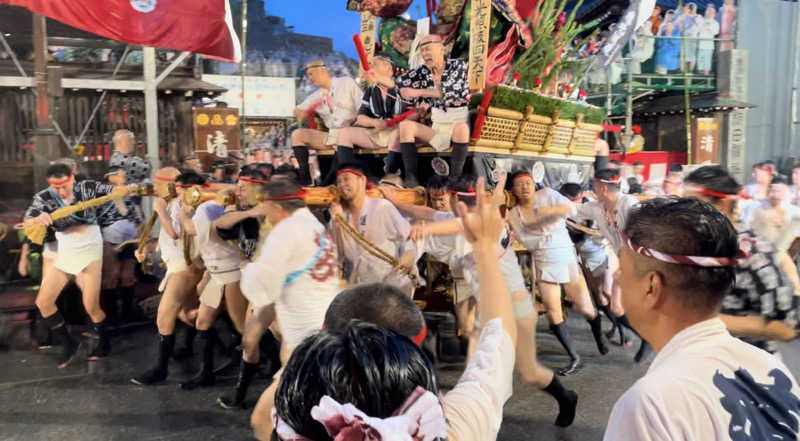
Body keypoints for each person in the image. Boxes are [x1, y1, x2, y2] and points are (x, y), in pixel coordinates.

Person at [271, 176, 519, 441]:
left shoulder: (297, 420)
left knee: (472, 331)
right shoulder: (455, 426)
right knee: (476, 335)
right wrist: (485, 252)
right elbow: (500, 338)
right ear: (414, 350)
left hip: (462, 275)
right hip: (472, 273)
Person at [603, 196, 800, 441]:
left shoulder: (650, 407)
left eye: (623, 268)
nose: (618, 277)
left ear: (652, 286)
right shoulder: (770, 367)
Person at [400, 174, 579, 427]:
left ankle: (565, 397)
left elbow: (450, 225)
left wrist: (424, 229)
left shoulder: (482, 219)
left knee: (526, 371)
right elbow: (427, 212)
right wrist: (395, 200)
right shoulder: (465, 215)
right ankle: (474, 417)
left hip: (514, 306)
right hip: (492, 307)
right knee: (479, 364)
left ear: (453, 198)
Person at [240, 176, 342, 440]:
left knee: (262, 419)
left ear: (275, 208)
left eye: (267, 212)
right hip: (326, 336)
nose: (267, 220)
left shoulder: (285, 232)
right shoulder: (316, 227)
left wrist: (248, 270)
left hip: (308, 348)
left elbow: (262, 287)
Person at [25, 164, 137, 367]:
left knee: (91, 305)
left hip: (89, 249)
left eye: (65, 186)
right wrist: (37, 218)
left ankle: (104, 342)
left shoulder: (87, 188)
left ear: (72, 178)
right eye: (56, 188)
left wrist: (125, 189)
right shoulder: (45, 197)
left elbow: (109, 190)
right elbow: (29, 217)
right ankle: (68, 343)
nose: (61, 192)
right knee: (44, 302)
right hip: (66, 249)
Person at [683, 166, 799, 355]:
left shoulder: (751, 253)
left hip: (746, 371)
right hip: (702, 362)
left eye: (692, 203)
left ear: (720, 205)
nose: (683, 211)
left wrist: (706, 323)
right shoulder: (695, 245)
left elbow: (786, 328)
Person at [507, 171, 608, 375]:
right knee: (554, 313)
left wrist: (551, 213)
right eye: (519, 185)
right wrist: (541, 228)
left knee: (587, 309)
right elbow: (525, 240)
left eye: (528, 182)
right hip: (543, 259)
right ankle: (574, 357)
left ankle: (598, 336)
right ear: (513, 190)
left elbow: (571, 209)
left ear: (533, 183)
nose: (525, 187)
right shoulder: (514, 213)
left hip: (565, 256)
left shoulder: (547, 194)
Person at [131, 171, 206, 385]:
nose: (156, 187)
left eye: (159, 184)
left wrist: (161, 211)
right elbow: (167, 238)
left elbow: (176, 234)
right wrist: (147, 248)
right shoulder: (172, 202)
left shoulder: (190, 203)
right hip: (177, 266)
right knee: (189, 315)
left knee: (164, 315)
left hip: (185, 268)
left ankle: (160, 368)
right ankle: (226, 339)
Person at [177, 188, 248, 390]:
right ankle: (205, 373)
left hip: (231, 273)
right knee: (202, 322)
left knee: (242, 324)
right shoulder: (209, 207)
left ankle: (262, 363)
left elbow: (192, 229)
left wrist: (183, 211)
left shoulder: (210, 207)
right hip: (217, 273)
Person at [578, 169, 649, 359]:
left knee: (632, 304)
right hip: (624, 260)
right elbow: (573, 209)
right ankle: (647, 338)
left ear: (602, 188)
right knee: (616, 307)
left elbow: (643, 232)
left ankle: (653, 338)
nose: (592, 189)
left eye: (594, 185)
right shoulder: (598, 207)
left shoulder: (629, 203)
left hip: (640, 260)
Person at [392, 34, 471, 187]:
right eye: (422, 51)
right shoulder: (423, 71)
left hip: (457, 124)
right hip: (438, 126)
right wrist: (377, 77)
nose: (425, 54)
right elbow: (398, 83)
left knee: (462, 129)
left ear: (441, 49)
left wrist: (418, 92)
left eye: (428, 49)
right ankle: (412, 179)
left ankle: (455, 179)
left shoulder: (458, 66)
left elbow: (447, 93)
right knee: (405, 126)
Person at [329, 163, 418, 294]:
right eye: (339, 181)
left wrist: (409, 256)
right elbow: (340, 255)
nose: (342, 184)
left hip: (389, 286)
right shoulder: (338, 214)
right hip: (357, 288)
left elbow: (408, 237)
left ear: (362, 180)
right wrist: (338, 224)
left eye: (347, 179)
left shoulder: (381, 207)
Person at [291, 60, 363, 185]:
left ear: (322, 70)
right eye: (308, 75)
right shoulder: (316, 95)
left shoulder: (346, 82)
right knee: (297, 135)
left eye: (311, 74)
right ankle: (306, 181)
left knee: (342, 135)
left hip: (353, 132)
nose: (309, 78)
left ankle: (327, 183)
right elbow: (298, 111)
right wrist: (301, 113)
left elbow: (363, 107)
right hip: (332, 135)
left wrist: (353, 121)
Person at [334, 56, 406, 168]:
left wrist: (389, 123)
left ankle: (391, 175)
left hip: (398, 133)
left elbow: (393, 85)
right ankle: (348, 172)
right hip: (377, 133)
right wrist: (374, 122)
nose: (371, 68)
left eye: (375, 65)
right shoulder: (371, 90)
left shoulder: (402, 84)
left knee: (397, 133)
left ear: (389, 70)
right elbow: (361, 117)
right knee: (344, 133)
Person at [97, 166, 142, 323]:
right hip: (109, 241)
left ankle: (128, 312)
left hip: (129, 240)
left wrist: (139, 239)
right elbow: (95, 222)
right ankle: (111, 315)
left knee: (128, 276)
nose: (124, 177)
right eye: (120, 175)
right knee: (111, 277)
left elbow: (136, 218)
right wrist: (104, 243)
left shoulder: (128, 196)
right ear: (111, 177)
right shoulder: (100, 196)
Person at [697, 5, 719, 75]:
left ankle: (706, 74)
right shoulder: (702, 20)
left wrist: (709, 27)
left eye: (711, 12)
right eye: (708, 11)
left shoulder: (715, 23)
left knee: (707, 60)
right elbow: (698, 30)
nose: (709, 13)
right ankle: (700, 74)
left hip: (708, 45)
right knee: (700, 60)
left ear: (714, 14)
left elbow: (716, 32)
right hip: (700, 43)